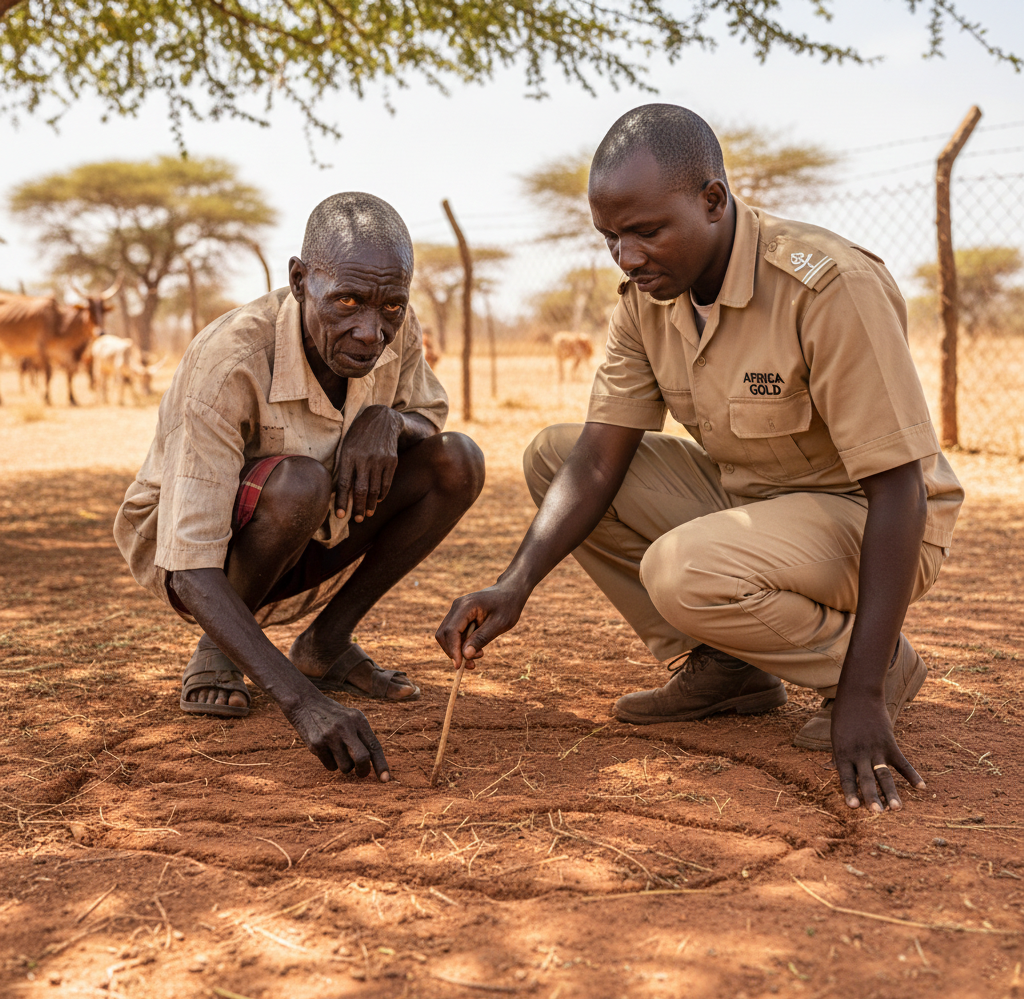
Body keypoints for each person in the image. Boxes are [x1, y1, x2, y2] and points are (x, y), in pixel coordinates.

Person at [437, 105, 963, 814]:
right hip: (755, 505)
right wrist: (515, 583)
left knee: (682, 569)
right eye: (610, 237)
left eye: (646, 232)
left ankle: (874, 664)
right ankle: (728, 673)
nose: (625, 256)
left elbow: (901, 490)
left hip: (871, 519)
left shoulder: (828, 287)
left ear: (713, 201)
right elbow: (597, 461)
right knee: (552, 454)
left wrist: (863, 694)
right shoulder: (648, 300)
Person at [115, 192, 485, 782]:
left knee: (456, 461)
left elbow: (429, 414)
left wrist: (388, 420)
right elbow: (190, 563)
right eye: (346, 301)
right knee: (298, 482)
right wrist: (303, 704)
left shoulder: (396, 324)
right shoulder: (230, 362)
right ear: (298, 279)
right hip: (202, 554)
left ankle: (326, 643)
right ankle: (220, 650)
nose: (370, 331)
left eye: (391, 305)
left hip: (317, 528)